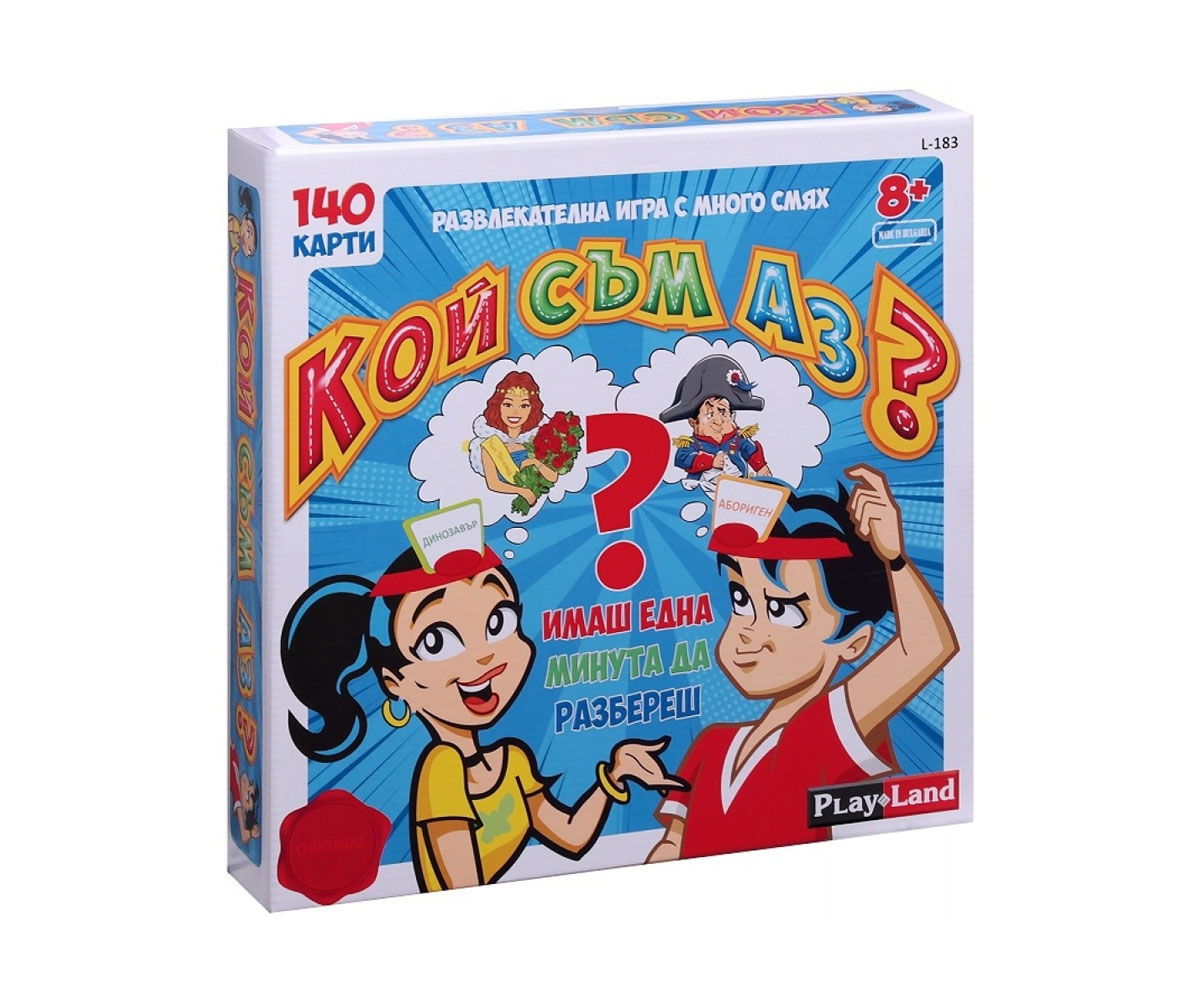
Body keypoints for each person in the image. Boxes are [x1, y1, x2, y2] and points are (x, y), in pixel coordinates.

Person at [283, 505, 684, 891]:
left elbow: (571, 837)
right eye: (436, 641)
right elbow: (463, 886)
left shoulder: (513, 761)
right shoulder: (442, 767)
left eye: (498, 622)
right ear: (395, 682)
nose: (484, 656)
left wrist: (615, 773)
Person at [646, 466, 958, 861]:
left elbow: (927, 647)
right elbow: (673, 844)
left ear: (853, 642)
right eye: (742, 601)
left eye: (783, 611)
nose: (750, 632)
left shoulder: (827, 729)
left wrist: (894, 560)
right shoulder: (711, 745)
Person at [659, 355, 772, 496]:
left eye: (723, 413)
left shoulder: (738, 439)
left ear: (733, 416)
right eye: (709, 415)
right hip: (703, 490)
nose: (718, 421)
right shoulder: (692, 444)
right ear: (693, 422)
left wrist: (761, 467)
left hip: (736, 489)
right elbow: (682, 459)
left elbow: (751, 451)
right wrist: (710, 461)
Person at [468, 372, 562, 509]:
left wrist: (534, 462)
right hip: (496, 506)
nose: (515, 412)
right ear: (498, 406)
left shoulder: (536, 440)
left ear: (532, 409)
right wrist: (521, 491)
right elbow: (493, 483)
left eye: (524, 406)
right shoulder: (490, 445)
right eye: (508, 405)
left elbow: (553, 477)